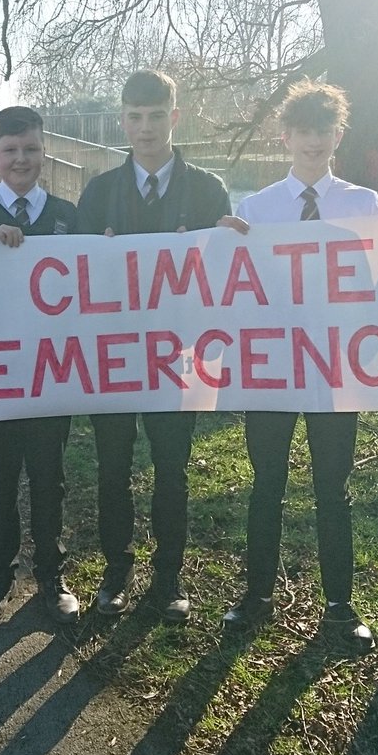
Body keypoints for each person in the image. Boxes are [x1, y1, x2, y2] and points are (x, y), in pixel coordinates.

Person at [220, 81, 378, 653]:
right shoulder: (255, 209)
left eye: (325, 130)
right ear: (285, 135)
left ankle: (339, 605)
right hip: (271, 368)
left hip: (337, 368)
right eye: (304, 130)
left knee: (332, 487)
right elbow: (233, 289)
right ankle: (256, 596)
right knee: (266, 484)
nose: (314, 141)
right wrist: (221, 249)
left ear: (339, 135)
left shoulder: (365, 204)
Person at [75, 69, 231, 622]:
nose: (145, 129)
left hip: (181, 354)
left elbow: (230, 275)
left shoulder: (210, 190)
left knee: (172, 468)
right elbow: (75, 278)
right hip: (114, 356)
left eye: (156, 116)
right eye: (135, 117)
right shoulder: (96, 192)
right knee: (112, 467)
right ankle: (116, 574)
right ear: (122, 120)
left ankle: (168, 579)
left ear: (175, 117)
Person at [0, 106, 80, 627]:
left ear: (43, 152)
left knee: (51, 478)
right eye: (10, 150)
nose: (20, 159)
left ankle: (52, 575)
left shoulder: (69, 215)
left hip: (55, 373)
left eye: (30, 149)